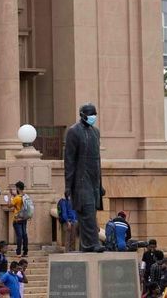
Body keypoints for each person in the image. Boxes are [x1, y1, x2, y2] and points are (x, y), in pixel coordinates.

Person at [64, 102, 103, 252]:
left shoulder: (95, 132)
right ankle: (92, 243)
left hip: (94, 180)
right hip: (81, 180)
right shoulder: (73, 131)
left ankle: (86, 246)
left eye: (94, 114)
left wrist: (100, 184)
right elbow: (69, 160)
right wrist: (68, 184)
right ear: (82, 115)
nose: (93, 117)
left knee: (91, 211)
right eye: (90, 114)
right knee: (87, 212)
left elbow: (97, 159)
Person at [8, 181, 31, 257]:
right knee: (24, 235)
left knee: (19, 236)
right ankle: (25, 252)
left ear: (17, 188)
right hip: (24, 218)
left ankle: (18, 252)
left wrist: (9, 197)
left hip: (17, 219)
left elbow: (9, 206)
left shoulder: (17, 198)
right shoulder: (26, 196)